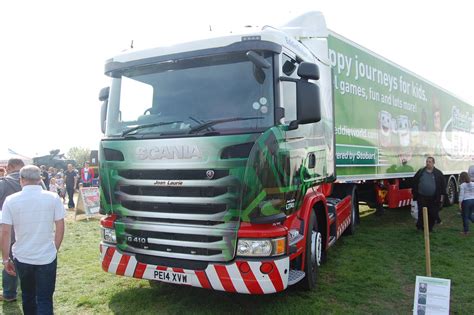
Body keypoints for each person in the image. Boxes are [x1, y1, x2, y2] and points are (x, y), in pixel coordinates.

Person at [1, 165, 65, 314]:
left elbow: (5, 232)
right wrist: (54, 248)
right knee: (44, 298)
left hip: (23, 256)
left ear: (21, 180)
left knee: (28, 296)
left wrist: (5, 259)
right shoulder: (52, 197)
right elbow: (60, 226)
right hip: (46, 256)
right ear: (39, 179)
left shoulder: (11, 200)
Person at [0, 158, 24, 302]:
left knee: (8, 258)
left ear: (9, 167)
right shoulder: (36, 182)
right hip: (31, 226)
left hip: (8, 227)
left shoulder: (3, 183)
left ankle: (9, 293)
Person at [412, 156, 446, 232]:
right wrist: (414, 193)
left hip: (434, 197)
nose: (428, 163)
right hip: (421, 196)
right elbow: (414, 182)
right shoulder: (421, 171)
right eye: (427, 161)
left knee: (432, 213)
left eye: (429, 162)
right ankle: (420, 227)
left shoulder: (438, 173)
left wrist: (442, 197)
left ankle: (430, 228)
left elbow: (442, 186)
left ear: (433, 163)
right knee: (421, 212)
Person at [458, 170, 474, 235]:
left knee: (465, 216)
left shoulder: (462, 185)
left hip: (466, 201)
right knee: (470, 215)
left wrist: (459, 204)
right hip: (473, 200)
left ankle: (466, 231)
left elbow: (461, 195)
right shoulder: (473, 184)